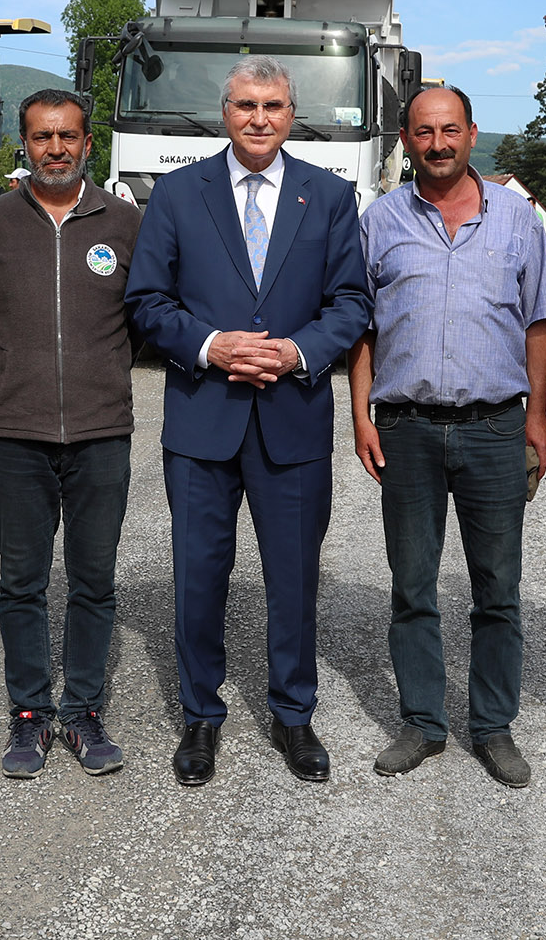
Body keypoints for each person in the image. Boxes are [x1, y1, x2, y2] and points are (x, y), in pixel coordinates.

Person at [124, 55, 372, 787]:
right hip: (203, 421)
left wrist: (298, 350)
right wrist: (210, 344)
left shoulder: (328, 198)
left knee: (293, 578)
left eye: (272, 105)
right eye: (244, 105)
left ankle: (293, 715)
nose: (258, 118)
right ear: (223, 111)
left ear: (292, 114)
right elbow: (147, 301)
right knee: (198, 576)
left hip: (291, 419)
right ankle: (201, 715)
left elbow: (352, 303)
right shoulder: (176, 193)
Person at [349, 85, 546, 787]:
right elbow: (363, 330)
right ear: (405, 139)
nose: (437, 143)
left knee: (498, 586)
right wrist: (359, 416)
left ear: (472, 132)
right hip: (406, 428)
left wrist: (536, 413)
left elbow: (537, 322)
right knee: (412, 584)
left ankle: (493, 726)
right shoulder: (379, 220)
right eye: (422, 132)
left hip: (496, 427)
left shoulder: (518, 221)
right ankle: (422, 723)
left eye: (449, 130)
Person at [0, 89, 142, 779]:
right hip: (17, 429)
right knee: (22, 580)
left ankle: (84, 707)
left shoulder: (125, 223)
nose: (56, 148)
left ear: (88, 143)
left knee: (94, 579)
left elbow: (150, 313)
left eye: (68, 135)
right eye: (42, 137)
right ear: (24, 143)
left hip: (102, 430)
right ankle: (30, 711)